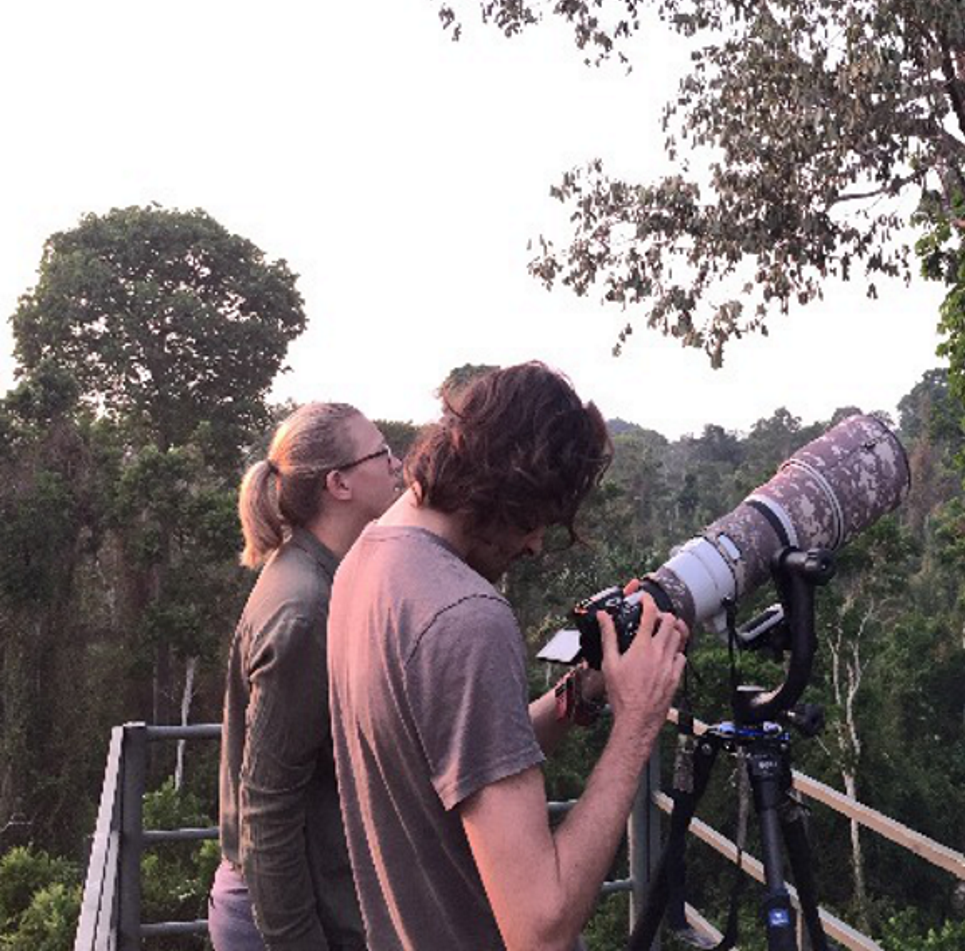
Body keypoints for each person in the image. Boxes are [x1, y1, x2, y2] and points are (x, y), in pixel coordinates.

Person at [327, 362, 687, 951]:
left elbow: (449, 762)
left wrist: (582, 690)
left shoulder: (366, 560)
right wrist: (637, 723)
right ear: (505, 486)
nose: (536, 543)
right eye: (535, 519)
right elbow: (540, 928)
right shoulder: (466, 616)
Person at [210, 403, 404, 951]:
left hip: (295, 901)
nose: (397, 464)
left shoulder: (316, 574)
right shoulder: (305, 609)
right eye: (382, 453)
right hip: (282, 915)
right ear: (339, 484)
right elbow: (267, 806)